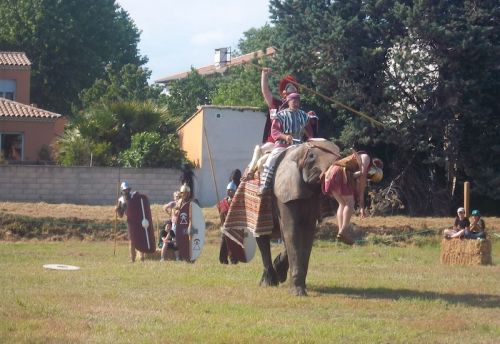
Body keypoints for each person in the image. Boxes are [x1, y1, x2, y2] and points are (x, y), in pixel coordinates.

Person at [322, 151, 384, 245]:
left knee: (342, 204)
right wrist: (362, 205)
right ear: (375, 168)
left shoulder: (357, 160)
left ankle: (341, 231)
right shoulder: (366, 157)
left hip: (331, 173)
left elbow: (356, 178)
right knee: (350, 204)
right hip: (340, 172)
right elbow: (362, 177)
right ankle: (343, 232)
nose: (369, 176)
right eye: (371, 175)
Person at [259, 92, 314, 195]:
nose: (296, 103)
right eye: (294, 101)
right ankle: (264, 184)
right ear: (288, 102)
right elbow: (274, 131)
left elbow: (309, 130)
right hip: (283, 145)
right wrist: (285, 136)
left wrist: (310, 139)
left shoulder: (303, 115)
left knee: (313, 158)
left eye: (298, 101)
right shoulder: (280, 115)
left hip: (299, 145)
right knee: (272, 159)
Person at [261, 68, 299, 144]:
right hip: (274, 142)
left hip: (293, 143)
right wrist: (264, 76)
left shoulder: (297, 107)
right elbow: (265, 92)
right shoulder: (276, 104)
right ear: (284, 93)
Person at [115, 181, 145, 262]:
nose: (126, 191)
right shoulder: (120, 200)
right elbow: (121, 216)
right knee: (132, 240)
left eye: (127, 189)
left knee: (140, 238)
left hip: (138, 219)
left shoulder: (134, 196)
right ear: (122, 191)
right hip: (130, 221)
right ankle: (132, 258)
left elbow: (141, 205)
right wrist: (118, 210)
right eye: (125, 190)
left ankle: (142, 257)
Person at [218, 180, 238, 264]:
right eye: (228, 190)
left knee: (233, 246)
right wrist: (222, 225)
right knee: (224, 245)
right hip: (225, 227)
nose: (229, 191)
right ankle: (223, 261)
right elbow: (221, 214)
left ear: (235, 191)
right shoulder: (222, 202)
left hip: (234, 228)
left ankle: (234, 261)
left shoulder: (238, 202)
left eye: (231, 190)